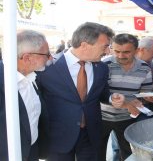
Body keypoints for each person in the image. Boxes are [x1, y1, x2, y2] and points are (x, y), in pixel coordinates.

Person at [36, 22, 125, 161]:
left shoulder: (101, 68)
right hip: (58, 137)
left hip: (90, 135)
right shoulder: (47, 68)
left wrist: (111, 98)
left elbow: (102, 93)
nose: (108, 51)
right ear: (84, 45)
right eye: (105, 46)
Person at [100, 34, 153, 161]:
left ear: (136, 50)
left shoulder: (145, 68)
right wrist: (125, 104)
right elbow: (98, 93)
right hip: (101, 117)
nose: (120, 56)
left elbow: (146, 93)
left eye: (126, 52)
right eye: (117, 51)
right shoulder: (104, 65)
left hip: (127, 119)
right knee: (97, 153)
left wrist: (141, 100)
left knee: (129, 154)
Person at [0, 30, 51, 161]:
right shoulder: (4, 80)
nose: (50, 58)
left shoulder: (32, 77)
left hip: (31, 152)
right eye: (46, 54)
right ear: (27, 58)